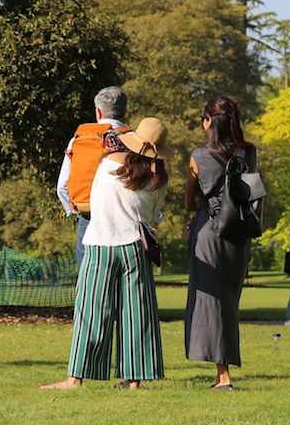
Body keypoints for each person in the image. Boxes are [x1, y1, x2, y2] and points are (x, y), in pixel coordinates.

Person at [41, 118, 170, 390]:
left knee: (91, 311)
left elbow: (95, 201)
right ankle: (133, 381)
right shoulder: (159, 179)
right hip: (136, 246)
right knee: (136, 314)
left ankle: (74, 379)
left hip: (101, 244)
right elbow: (153, 217)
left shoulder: (107, 165)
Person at [182, 97, 257, 390]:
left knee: (211, 301)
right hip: (238, 233)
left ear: (210, 121)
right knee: (229, 299)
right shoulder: (248, 153)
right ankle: (221, 371)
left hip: (210, 232)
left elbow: (189, 202)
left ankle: (223, 375)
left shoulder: (198, 156)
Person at [56, 86, 128, 265]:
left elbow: (62, 186)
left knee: (88, 283)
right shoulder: (134, 140)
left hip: (89, 217)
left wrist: (72, 210)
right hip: (125, 220)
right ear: (125, 112)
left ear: (98, 111)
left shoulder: (78, 140)